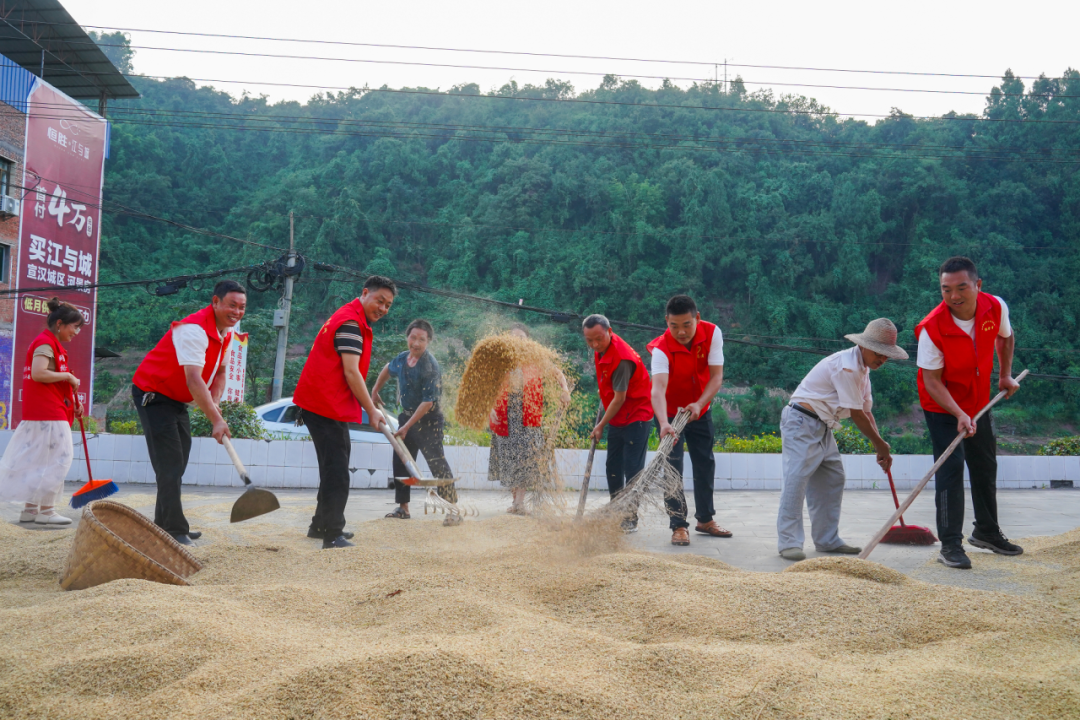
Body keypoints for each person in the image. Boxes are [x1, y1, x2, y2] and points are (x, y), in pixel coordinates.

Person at [916, 256, 1023, 570]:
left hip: (978, 402)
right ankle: (950, 546)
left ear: (978, 285)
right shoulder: (932, 328)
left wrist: (1005, 375)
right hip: (942, 406)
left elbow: (1006, 336)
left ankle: (987, 532)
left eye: (961, 287)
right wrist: (959, 413)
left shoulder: (995, 307)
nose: (953, 296)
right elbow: (931, 382)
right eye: (946, 289)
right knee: (951, 470)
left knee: (985, 464)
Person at [776, 319, 907, 561]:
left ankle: (827, 540)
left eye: (887, 356)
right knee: (797, 480)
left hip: (823, 425)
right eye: (879, 353)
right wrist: (879, 445)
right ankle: (789, 543)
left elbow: (866, 411)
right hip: (801, 421)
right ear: (864, 346)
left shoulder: (863, 370)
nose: (882, 359)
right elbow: (856, 414)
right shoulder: (847, 367)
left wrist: (880, 445)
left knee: (833, 478)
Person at [131, 281, 245, 545]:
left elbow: (220, 371)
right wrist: (216, 420)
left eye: (241, 307)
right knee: (169, 463)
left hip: (177, 399)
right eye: (231, 305)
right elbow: (194, 379)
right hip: (154, 394)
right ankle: (174, 529)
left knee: (177, 461)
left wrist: (215, 403)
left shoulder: (226, 332)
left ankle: (163, 524)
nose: (237, 311)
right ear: (215, 302)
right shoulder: (193, 330)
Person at [293, 276, 396, 548]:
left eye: (388, 305)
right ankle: (332, 534)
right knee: (337, 471)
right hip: (325, 405)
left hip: (325, 404)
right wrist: (371, 410)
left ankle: (320, 525)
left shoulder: (350, 316)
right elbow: (351, 372)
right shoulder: (351, 323)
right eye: (380, 301)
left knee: (332, 468)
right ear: (365, 293)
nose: (383, 309)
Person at [648, 295, 730, 546]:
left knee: (705, 463)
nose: (681, 332)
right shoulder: (661, 348)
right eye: (674, 326)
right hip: (670, 414)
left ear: (697, 318)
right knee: (673, 468)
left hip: (700, 409)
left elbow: (716, 377)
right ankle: (678, 525)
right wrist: (664, 423)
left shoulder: (712, 333)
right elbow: (658, 389)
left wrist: (699, 404)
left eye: (686, 324)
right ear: (667, 321)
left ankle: (705, 519)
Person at [0, 298, 84, 525]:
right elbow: (39, 373)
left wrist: (72, 400)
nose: (76, 332)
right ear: (60, 324)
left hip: (46, 411)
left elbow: (51, 380)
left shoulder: (52, 346)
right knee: (59, 459)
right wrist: (68, 376)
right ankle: (46, 511)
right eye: (74, 326)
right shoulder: (45, 343)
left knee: (42, 460)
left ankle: (30, 510)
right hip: (48, 413)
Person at [371, 318, 459, 525]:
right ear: (407, 337)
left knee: (437, 463)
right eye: (413, 338)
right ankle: (403, 508)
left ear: (428, 341)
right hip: (407, 416)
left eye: (421, 339)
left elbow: (428, 402)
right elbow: (387, 368)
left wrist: (406, 426)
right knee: (401, 460)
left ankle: (453, 510)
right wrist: (375, 391)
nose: (416, 343)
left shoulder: (430, 366)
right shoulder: (402, 359)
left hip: (429, 419)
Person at [488, 325, 571, 514]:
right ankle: (515, 501)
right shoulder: (500, 361)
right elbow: (489, 388)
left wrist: (565, 390)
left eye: (522, 337)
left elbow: (558, 373)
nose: (518, 341)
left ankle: (519, 502)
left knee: (526, 459)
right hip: (504, 415)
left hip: (528, 415)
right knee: (508, 459)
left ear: (528, 341)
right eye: (514, 337)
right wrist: (490, 408)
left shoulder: (536, 358)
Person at [582, 314, 653, 533]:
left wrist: (601, 425)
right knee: (613, 466)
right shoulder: (601, 349)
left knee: (632, 470)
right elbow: (609, 384)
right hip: (618, 415)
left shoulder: (622, 359)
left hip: (636, 415)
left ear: (609, 332)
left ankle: (629, 518)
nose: (594, 344)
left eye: (598, 339)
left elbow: (620, 398)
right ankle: (616, 511)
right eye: (589, 341)